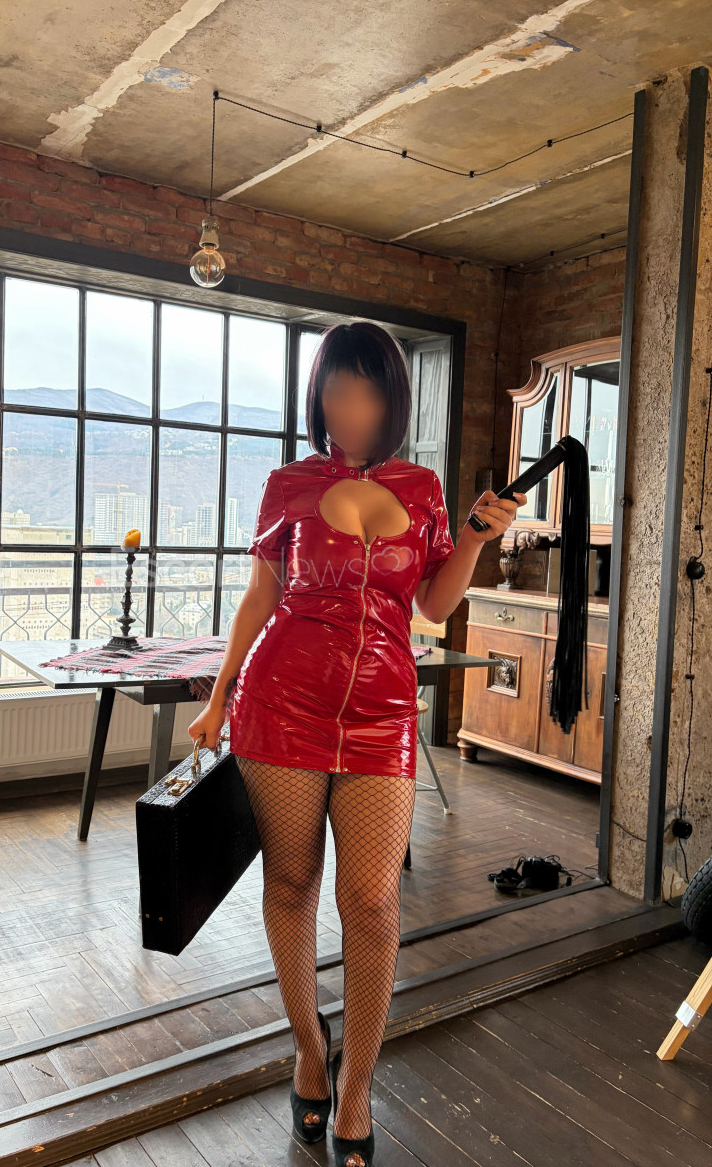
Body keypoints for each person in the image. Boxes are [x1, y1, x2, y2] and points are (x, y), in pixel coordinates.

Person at [188, 321, 524, 1167]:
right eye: (337, 390)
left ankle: (360, 1084)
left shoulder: (423, 488)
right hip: (281, 704)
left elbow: (434, 608)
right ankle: (309, 1050)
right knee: (291, 884)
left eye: (368, 390)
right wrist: (220, 697)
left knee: (371, 903)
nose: (351, 407)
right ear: (319, 397)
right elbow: (261, 596)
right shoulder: (289, 484)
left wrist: (475, 538)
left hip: (382, 713)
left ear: (392, 399)